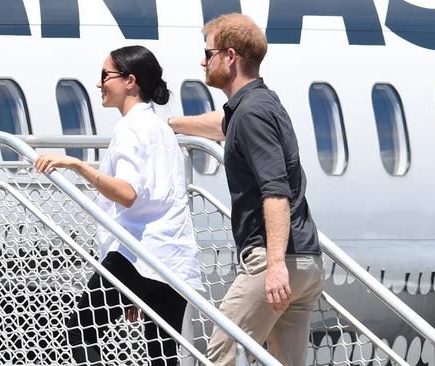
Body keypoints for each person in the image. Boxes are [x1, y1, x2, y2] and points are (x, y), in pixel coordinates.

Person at [168, 14, 324, 366]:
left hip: (275, 260)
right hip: (304, 261)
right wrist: (171, 125)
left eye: (208, 54)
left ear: (230, 56)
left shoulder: (251, 114)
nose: (202, 62)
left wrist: (274, 267)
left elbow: (275, 192)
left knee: (223, 353)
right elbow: (223, 124)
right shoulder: (258, 105)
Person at [34, 45, 203, 366]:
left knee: (80, 331)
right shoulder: (160, 128)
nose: (99, 84)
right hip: (173, 257)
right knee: (163, 355)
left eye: (105, 76)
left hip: (135, 253)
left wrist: (77, 165)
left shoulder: (130, 128)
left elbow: (127, 193)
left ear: (130, 81)